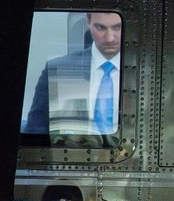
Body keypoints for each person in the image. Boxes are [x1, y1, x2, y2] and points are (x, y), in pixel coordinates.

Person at [24, 11, 122, 142]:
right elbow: (36, 130)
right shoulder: (59, 69)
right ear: (87, 21)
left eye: (117, 27)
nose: (110, 38)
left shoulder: (143, 72)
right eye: (100, 27)